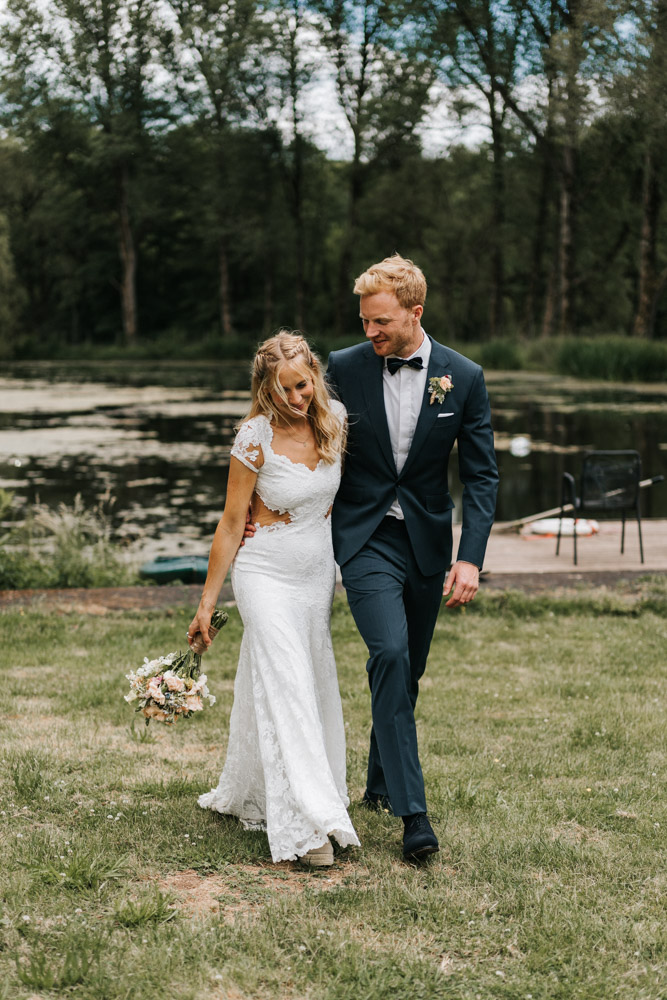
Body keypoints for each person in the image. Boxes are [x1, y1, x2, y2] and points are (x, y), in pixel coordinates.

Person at [326, 254, 498, 863]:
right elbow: (314, 444)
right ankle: (412, 815)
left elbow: (480, 477)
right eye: (365, 321)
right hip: (365, 536)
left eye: (381, 322)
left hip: (426, 542)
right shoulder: (342, 368)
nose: (369, 332)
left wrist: (470, 557)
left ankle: (377, 780)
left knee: (409, 669)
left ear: (415, 313)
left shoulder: (463, 376)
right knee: (389, 653)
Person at [188, 331, 359, 867]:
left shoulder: (334, 422)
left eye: (302, 386)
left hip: (314, 578)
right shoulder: (253, 437)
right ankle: (306, 825)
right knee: (287, 683)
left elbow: (340, 500)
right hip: (263, 574)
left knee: (308, 679)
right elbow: (232, 522)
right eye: (282, 390)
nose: (294, 399)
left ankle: (261, 790)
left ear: (314, 374)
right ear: (265, 388)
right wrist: (207, 603)